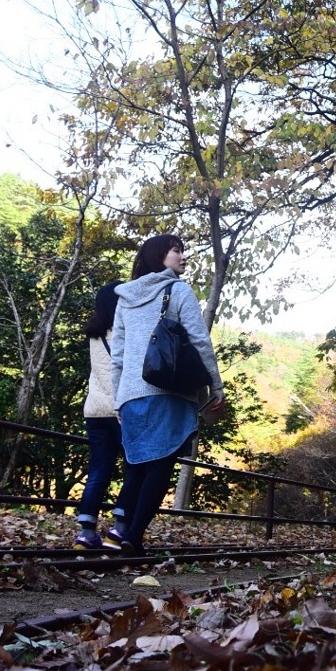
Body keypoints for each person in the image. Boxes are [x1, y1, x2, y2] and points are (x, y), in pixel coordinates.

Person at [106, 234, 223, 556]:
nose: (183, 257)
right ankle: (133, 537)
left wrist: (119, 397)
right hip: (167, 391)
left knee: (137, 466)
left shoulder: (124, 298)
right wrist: (216, 385)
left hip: (131, 394)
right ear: (160, 255)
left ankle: (124, 532)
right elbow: (200, 341)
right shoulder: (179, 290)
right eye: (177, 251)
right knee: (160, 466)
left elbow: (118, 356)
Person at [73, 281, 137, 551]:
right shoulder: (122, 333)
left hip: (94, 410)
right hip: (118, 410)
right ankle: (119, 527)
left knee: (99, 469)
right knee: (135, 466)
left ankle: (86, 533)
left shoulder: (94, 334)